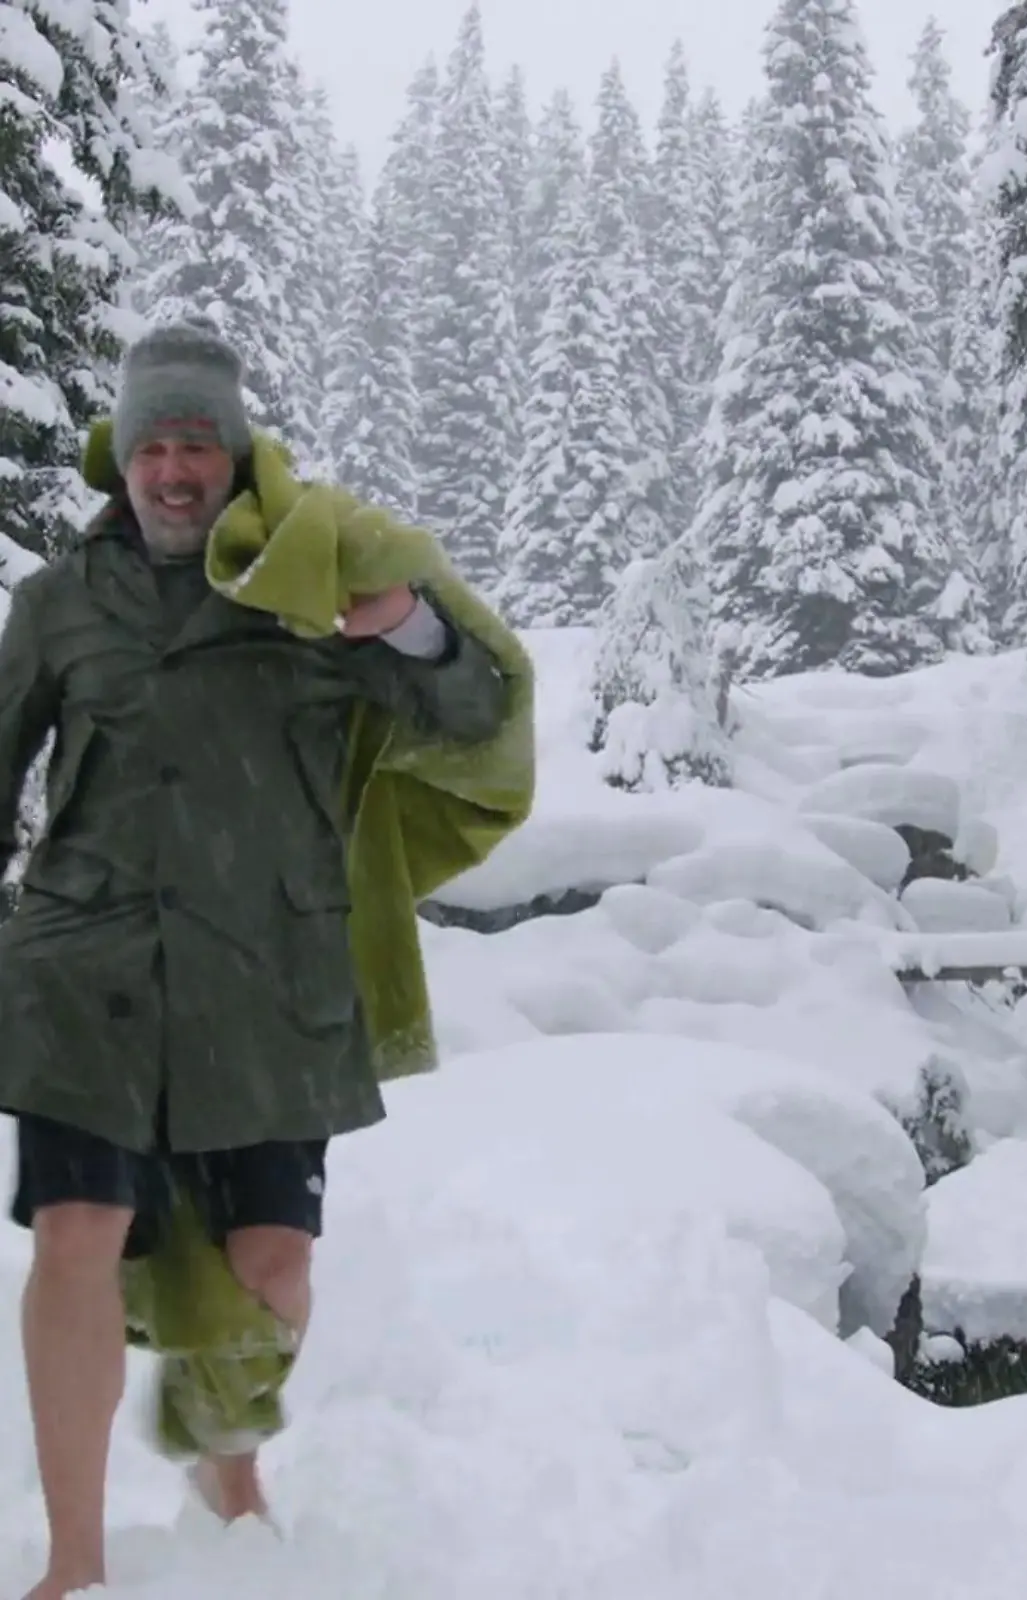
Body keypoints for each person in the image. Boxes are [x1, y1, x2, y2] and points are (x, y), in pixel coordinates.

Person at [0, 322, 530, 1600]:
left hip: (270, 977)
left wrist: (403, 625)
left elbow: (474, 716)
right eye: (154, 445)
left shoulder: (307, 581)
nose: (176, 469)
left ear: (234, 457)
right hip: (91, 964)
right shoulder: (60, 603)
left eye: (198, 443)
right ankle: (75, 1561)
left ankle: (225, 1460)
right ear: (121, 460)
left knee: (270, 1268)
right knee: (78, 1229)